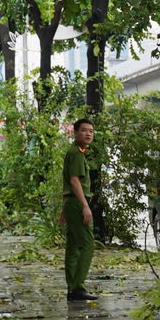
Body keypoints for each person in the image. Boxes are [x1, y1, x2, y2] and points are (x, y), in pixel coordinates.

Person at [60, 118, 98, 301]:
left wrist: (64, 209)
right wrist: (85, 206)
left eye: (91, 131)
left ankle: (72, 288)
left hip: (71, 202)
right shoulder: (75, 153)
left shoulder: (77, 152)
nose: (88, 134)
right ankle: (78, 286)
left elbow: (68, 182)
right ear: (75, 133)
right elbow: (74, 180)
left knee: (73, 246)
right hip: (77, 202)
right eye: (84, 130)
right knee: (88, 245)